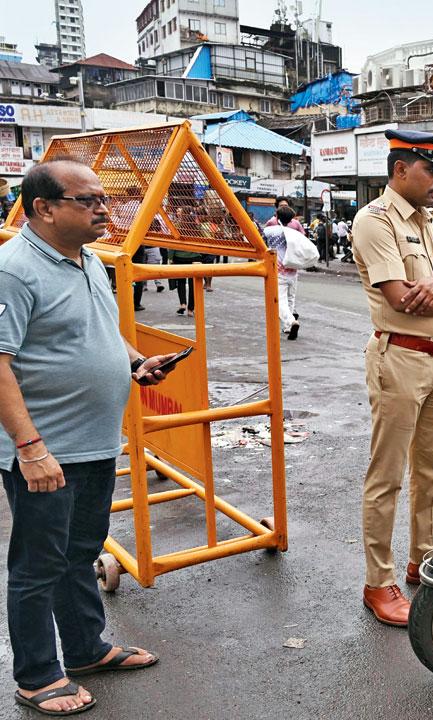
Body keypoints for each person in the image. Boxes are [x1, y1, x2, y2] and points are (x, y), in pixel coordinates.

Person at [0, 160, 181, 716]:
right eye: (89, 200)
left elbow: (100, 330)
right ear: (44, 209)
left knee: (79, 553)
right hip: (45, 451)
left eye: (105, 198)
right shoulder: (14, 269)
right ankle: (36, 676)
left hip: (96, 443)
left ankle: (85, 649)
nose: (104, 209)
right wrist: (30, 449)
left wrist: (135, 363)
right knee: (38, 566)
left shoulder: (88, 261)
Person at [350, 130, 433, 627]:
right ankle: (377, 582)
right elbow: (400, 298)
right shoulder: (375, 221)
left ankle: (422, 558)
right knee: (386, 476)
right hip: (400, 358)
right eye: (432, 171)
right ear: (401, 169)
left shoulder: (431, 222)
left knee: (429, 471)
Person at [262, 206, 304, 341]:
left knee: (280, 301)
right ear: (291, 219)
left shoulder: (268, 231)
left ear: (277, 216)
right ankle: (287, 326)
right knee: (291, 298)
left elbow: (262, 244)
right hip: (293, 270)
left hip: (277, 270)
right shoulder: (294, 233)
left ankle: (291, 321)